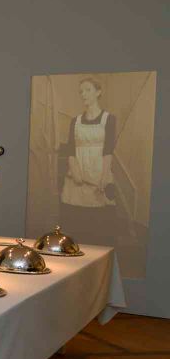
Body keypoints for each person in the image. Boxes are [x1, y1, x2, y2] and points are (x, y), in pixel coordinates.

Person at [59, 77, 119, 245]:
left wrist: (104, 177)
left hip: (99, 173)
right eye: (81, 91)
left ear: (98, 92)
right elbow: (70, 150)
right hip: (77, 176)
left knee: (98, 227)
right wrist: (75, 171)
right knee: (76, 225)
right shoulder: (75, 121)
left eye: (87, 90)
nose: (83, 94)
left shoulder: (109, 119)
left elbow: (108, 150)